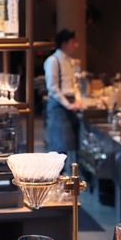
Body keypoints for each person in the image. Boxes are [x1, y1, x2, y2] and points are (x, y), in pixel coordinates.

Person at [43, 28, 83, 171]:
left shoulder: (71, 62)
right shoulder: (53, 61)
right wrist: (68, 104)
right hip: (59, 106)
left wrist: (77, 100)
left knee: (70, 147)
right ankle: (56, 182)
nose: (76, 45)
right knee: (58, 148)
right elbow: (52, 87)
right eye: (73, 42)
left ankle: (68, 182)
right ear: (65, 43)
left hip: (70, 105)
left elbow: (74, 84)